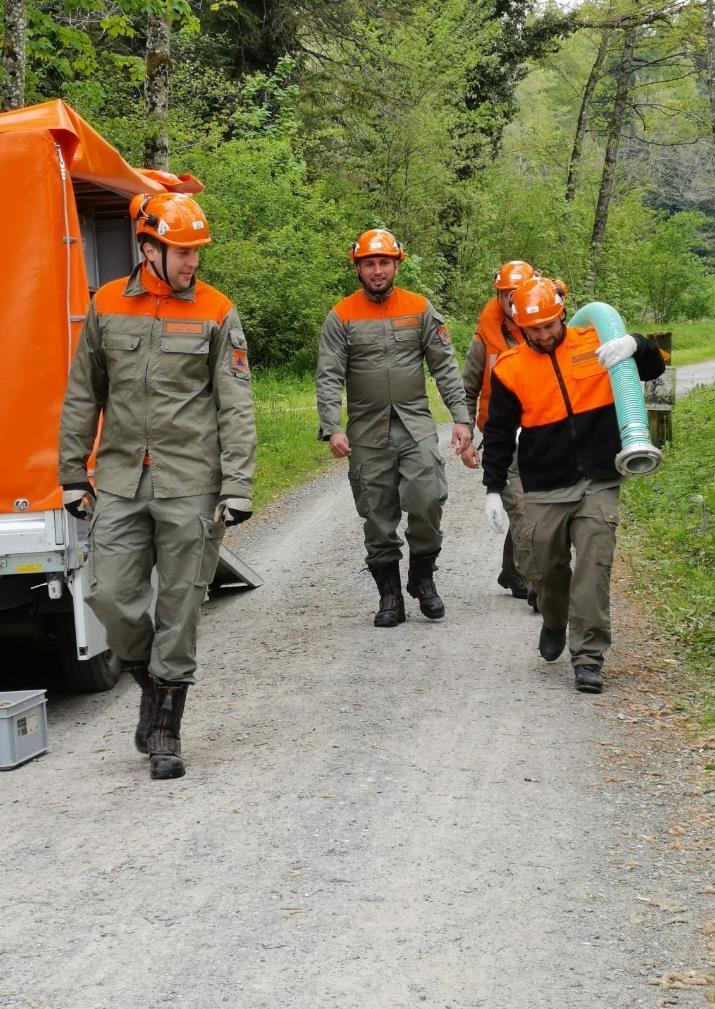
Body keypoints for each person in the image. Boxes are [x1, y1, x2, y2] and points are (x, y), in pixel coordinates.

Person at [59, 192, 257, 779]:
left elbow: (236, 405)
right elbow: (82, 393)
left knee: (180, 604)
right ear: (148, 248)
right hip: (120, 476)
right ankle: (151, 680)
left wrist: (238, 483)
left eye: (197, 251)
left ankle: (167, 723)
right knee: (110, 596)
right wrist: (72, 472)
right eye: (181, 250)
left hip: (191, 481)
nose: (192, 261)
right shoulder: (107, 304)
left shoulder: (218, 310)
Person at [481, 277, 664, 694]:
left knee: (593, 565)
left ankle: (588, 657)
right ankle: (552, 618)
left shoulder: (595, 341)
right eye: (534, 329)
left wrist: (637, 344)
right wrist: (493, 488)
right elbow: (498, 433)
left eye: (549, 324)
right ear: (520, 328)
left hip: (599, 478)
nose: (544, 335)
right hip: (545, 485)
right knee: (547, 569)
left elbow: (655, 368)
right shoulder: (511, 369)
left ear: (562, 314)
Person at [316, 228, 471, 627]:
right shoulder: (342, 315)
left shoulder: (419, 308)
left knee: (427, 499)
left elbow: (444, 366)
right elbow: (329, 375)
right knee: (377, 514)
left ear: (397, 263)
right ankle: (389, 596)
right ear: (358, 268)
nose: (378, 270)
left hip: (415, 425)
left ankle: (422, 578)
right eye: (370, 264)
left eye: (384, 262)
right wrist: (332, 426)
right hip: (367, 433)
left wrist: (461, 417)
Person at [461, 260, 537, 603]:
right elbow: (467, 388)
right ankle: (538, 583)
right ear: (499, 297)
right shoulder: (485, 337)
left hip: (540, 434)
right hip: (500, 437)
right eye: (508, 296)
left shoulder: (545, 327)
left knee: (535, 505)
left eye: (520, 295)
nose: (514, 302)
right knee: (521, 507)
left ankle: (512, 570)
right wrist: (465, 439)